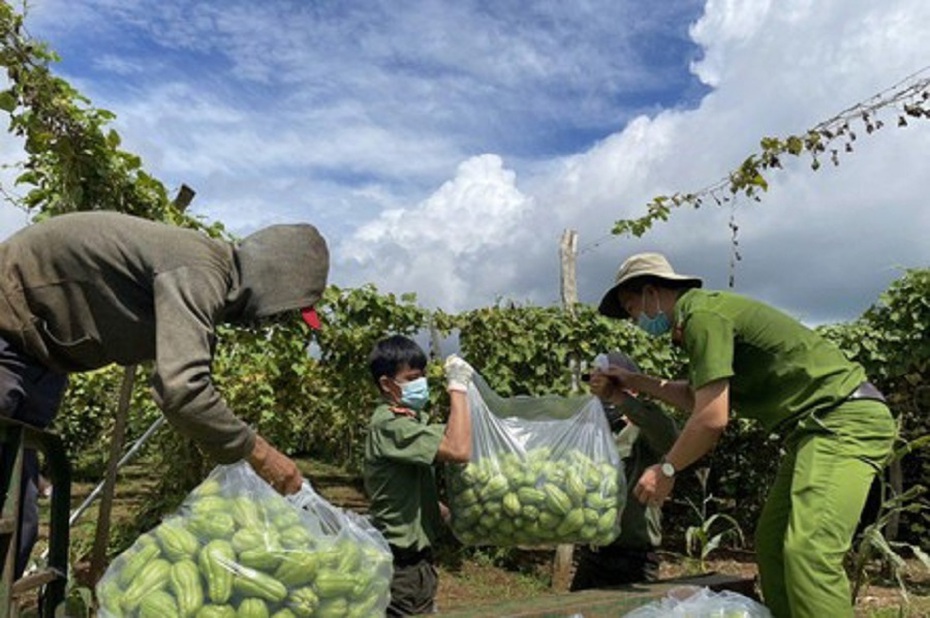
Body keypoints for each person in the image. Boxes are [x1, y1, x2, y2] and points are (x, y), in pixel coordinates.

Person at [0, 210, 329, 576]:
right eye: (286, 310)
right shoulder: (199, 270)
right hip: (9, 331)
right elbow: (183, 391)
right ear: (275, 280)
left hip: (39, 359)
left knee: (16, 517)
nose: (276, 322)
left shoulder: (205, 276)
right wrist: (262, 455)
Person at [597, 252, 896, 618]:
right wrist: (634, 383)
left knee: (809, 551)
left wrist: (667, 470)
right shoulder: (699, 321)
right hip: (810, 432)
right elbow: (697, 397)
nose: (634, 320)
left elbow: (711, 419)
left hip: (841, 419)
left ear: (650, 293)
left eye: (631, 309)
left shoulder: (703, 317)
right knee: (770, 545)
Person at [363, 335, 475, 617]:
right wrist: (458, 389)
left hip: (417, 563)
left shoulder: (409, 422)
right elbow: (459, 448)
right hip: (401, 567)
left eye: (423, 375)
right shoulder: (390, 426)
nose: (421, 383)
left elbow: (409, 488)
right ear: (387, 384)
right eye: (412, 377)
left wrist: (447, 513)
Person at [570, 351, 679, 590]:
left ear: (632, 388)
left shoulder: (644, 430)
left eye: (612, 383)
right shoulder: (592, 431)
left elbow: (668, 436)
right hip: (592, 555)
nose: (603, 393)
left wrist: (620, 398)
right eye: (596, 383)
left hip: (633, 559)